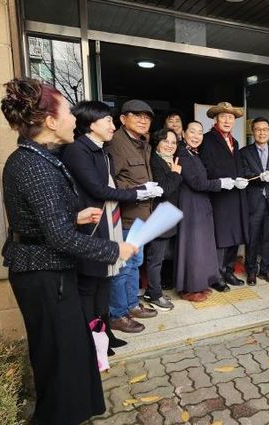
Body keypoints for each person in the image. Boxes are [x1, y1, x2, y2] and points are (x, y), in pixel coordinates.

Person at [0, 78, 138, 425]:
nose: (75, 119)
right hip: (43, 273)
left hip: (49, 271)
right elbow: (60, 238)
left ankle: (73, 413)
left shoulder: (38, 158)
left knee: (70, 352)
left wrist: (73, 216)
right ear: (50, 121)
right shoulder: (33, 165)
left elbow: (42, 219)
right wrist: (114, 249)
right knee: (59, 357)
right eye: (68, 112)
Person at [61, 100, 155, 354]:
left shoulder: (101, 150)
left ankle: (105, 334)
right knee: (91, 284)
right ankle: (92, 341)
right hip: (91, 225)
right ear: (91, 124)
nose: (112, 126)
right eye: (108, 121)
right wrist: (138, 193)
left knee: (104, 280)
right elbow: (98, 189)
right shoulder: (78, 150)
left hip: (108, 220)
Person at [107, 99, 161, 332]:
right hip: (125, 215)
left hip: (142, 215)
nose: (143, 120)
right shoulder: (116, 143)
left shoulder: (142, 143)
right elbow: (108, 181)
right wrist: (138, 190)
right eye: (137, 116)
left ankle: (131, 305)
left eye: (147, 117)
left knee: (135, 263)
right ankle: (117, 314)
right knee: (122, 266)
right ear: (123, 119)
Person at [174, 121, 235, 299]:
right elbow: (197, 183)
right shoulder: (182, 154)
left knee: (200, 246)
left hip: (200, 203)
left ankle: (199, 284)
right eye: (192, 132)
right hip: (190, 204)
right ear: (184, 134)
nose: (196, 136)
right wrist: (220, 183)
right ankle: (189, 288)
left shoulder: (193, 153)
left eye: (200, 133)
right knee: (192, 245)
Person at [199, 102, 249, 287]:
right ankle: (216, 276)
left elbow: (237, 166)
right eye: (223, 117)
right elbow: (206, 168)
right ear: (216, 119)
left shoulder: (234, 141)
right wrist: (225, 180)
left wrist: (242, 178)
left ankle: (229, 271)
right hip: (219, 196)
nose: (227, 120)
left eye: (231, 117)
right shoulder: (207, 140)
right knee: (221, 237)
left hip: (236, 196)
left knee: (235, 235)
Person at [239, 117, 269, 285]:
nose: (262, 132)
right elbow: (244, 173)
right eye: (258, 129)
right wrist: (260, 177)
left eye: (265, 129)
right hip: (254, 201)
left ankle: (266, 270)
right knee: (252, 238)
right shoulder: (244, 152)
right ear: (253, 131)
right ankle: (251, 271)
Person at [144, 128, 181, 310]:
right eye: (165, 141)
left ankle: (154, 290)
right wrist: (175, 173)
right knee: (155, 258)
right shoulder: (155, 161)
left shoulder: (169, 161)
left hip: (168, 216)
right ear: (157, 143)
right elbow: (165, 189)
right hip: (158, 217)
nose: (170, 145)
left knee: (161, 257)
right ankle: (154, 295)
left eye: (173, 142)